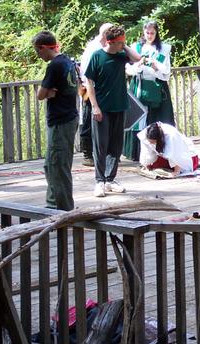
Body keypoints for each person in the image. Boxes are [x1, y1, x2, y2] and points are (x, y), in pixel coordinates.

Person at [84, 24, 142, 197]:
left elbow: (137, 58)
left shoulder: (121, 56)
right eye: (121, 42)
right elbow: (89, 83)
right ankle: (99, 181)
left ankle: (110, 179)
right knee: (100, 145)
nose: (123, 44)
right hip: (102, 108)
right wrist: (95, 106)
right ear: (111, 42)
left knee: (116, 146)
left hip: (120, 106)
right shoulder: (97, 56)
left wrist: (123, 44)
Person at [33, 30, 79, 211]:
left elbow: (40, 94)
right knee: (51, 164)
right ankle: (52, 204)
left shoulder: (54, 66)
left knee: (58, 165)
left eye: (38, 51)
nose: (38, 55)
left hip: (61, 120)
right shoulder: (68, 61)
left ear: (44, 48)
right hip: (68, 117)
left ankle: (64, 210)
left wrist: (48, 92)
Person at [123, 21, 176, 161]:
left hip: (157, 86)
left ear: (157, 33)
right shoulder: (136, 48)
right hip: (139, 85)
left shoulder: (163, 49)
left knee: (158, 118)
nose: (150, 35)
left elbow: (166, 71)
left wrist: (155, 66)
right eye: (147, 33)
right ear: (143, 32)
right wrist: (139, 65)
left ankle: (161, 150)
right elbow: (128, 69)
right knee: (139, 117)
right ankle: (136, 152)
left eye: (152, 33)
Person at [78, 23, 113, 167]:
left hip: (104, 90)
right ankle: (87, 155)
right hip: (89, 89)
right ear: (105, 34)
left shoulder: (107, 46)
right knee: (88, 121)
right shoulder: (93, 48)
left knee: (104, 121)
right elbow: (86, 71)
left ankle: (102, 153)